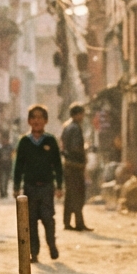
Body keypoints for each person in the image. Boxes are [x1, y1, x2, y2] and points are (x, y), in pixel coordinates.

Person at [12, 104, 64, 262]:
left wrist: (59, 186)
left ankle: (52, 244)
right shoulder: (24, 142)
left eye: (40, 117)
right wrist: (16, 187)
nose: (37, 121)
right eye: (33, 117)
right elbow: (18, 166)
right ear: (29, 121)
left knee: (48, 219)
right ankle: (33, 252)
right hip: (30, 187)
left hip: (47, 187)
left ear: (45, 121)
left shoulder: (50, 141)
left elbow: (58, 165)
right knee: (31, 220)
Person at [61, 103, 92, 231]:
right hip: (75, 167)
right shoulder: (75, 128)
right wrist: (84, 150)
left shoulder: (67, 127)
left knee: (70, 196)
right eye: (82, 114)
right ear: (78, 114)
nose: (83, 117)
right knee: (78, 195)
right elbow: (75, 148)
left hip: (69, 165)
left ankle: (67, 222)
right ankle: (79, 223)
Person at [0, 135, 13, 199]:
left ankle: (5, 192)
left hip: (7, 166)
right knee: (1, 180)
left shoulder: (10, 147)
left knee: (6, 180)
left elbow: (12, 155)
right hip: (1, 166)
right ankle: (2, 192)